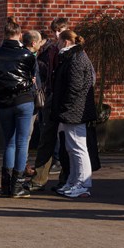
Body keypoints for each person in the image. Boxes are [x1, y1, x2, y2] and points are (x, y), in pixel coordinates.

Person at [0, 17, 38, 198]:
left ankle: (5, 184)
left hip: (3, 101)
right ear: (19, 34)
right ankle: (17, 186)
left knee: (9, 142)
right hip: (23, 100)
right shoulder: (27, 55)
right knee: (22, 142)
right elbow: (32, 76)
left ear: (4, 34)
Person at [50, 29, 96, 198]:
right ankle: (73, 180)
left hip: (75, 110)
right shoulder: (74, 57)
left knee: (78, 147)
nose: (57, 44)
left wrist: (66, 106)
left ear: (66, 42)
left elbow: (75, 87)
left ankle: (82, 183)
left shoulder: (76, 58)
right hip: (73, 110)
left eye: (59, 41)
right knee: (71, 147)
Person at [29, 17, 69, 191]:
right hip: (51, 98)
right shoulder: (51, 51)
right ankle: (39, 179)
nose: (58, 34)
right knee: (46, 139)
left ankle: (65, 179)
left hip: (66, 102)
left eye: (61, 31)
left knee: (67, 143)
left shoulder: (75, 54)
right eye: (56, 31)